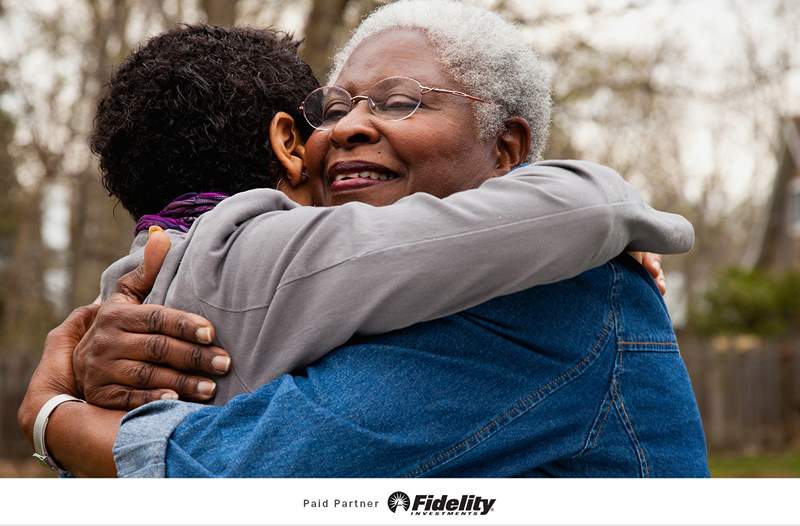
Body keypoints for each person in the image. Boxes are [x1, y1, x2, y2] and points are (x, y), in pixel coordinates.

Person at [19, 1, 707, 477]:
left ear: (507, 150)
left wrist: (58, 419)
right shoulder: (346, 290)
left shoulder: (562, 292)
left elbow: (253, 468)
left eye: (401, 101)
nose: (348, 127)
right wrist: (94, 352)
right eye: (338, 108)